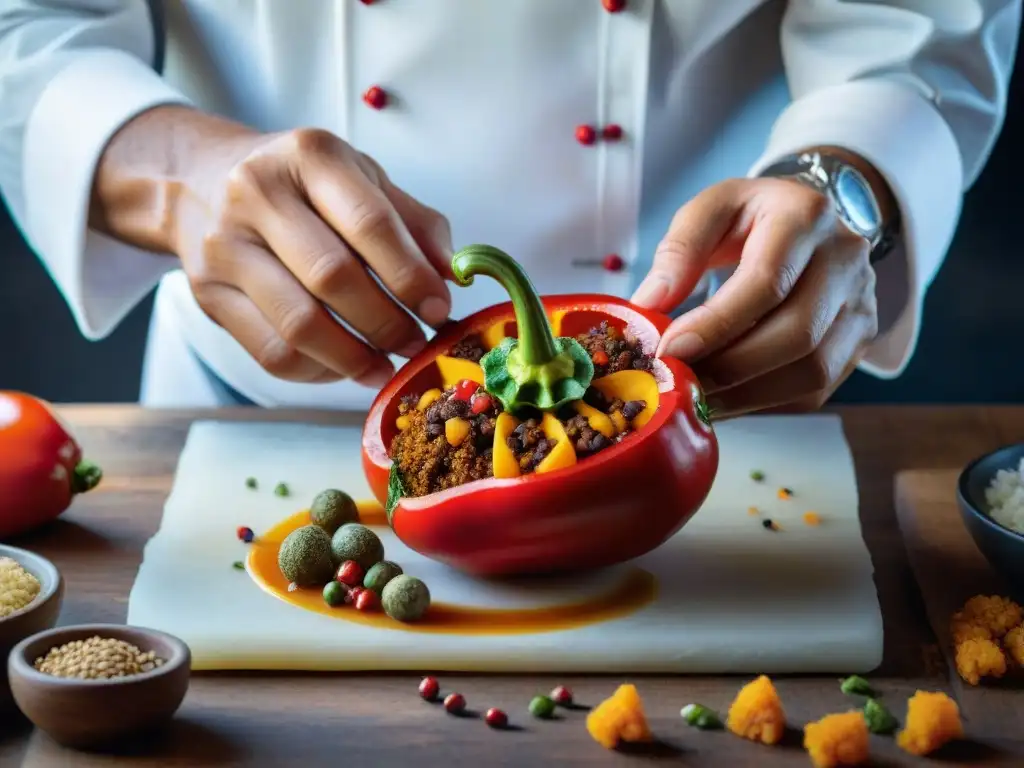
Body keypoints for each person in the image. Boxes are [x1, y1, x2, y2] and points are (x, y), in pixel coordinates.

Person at [0, 1, 1017, 417]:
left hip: (715, 390)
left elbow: (916, 18)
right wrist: (183, 175)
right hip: (254, 399)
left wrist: (843, 178)